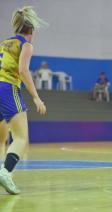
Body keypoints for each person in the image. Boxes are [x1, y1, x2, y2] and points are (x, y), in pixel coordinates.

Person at [0, 6, 47, 194]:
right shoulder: (26, 45)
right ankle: (6, 173)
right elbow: (22, 71)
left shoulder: (3, 43)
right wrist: (36, 98)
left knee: (1, 139)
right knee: (21, 138)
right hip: (8, 88)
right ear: (32, 30)